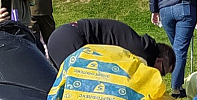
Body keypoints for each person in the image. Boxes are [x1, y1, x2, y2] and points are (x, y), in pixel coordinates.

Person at [46, 17, 176, 74]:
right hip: (71, 39)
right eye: (163, 72)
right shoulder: (142, 55)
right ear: (159, 60)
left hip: (63, 37)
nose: (160, 76)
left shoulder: (140, 46)